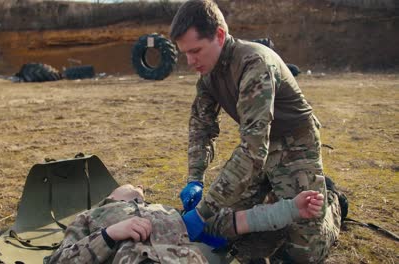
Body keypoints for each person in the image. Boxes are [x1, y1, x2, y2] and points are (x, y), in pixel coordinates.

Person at [170, 0, 345, 263]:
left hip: (294, 144)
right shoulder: (208, 74)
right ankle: (275, 192)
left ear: (219, 35)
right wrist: (195, 178)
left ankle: (331, 201)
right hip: (258, 150)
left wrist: (203, 211)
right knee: (225, 224)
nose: (190, 61)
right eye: (185, 53)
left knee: (304, 253)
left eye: (195, 51)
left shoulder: (253, 64)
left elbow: (253, 151)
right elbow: (201, 128)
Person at [47, 184, 326, 263]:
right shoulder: (91, 218)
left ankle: (334, 199)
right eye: (131, 185)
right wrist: (109, 235)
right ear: (110, 197)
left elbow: (236, 221)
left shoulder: (169, 213)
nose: (139, 187)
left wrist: (291, 209)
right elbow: (59, 260)